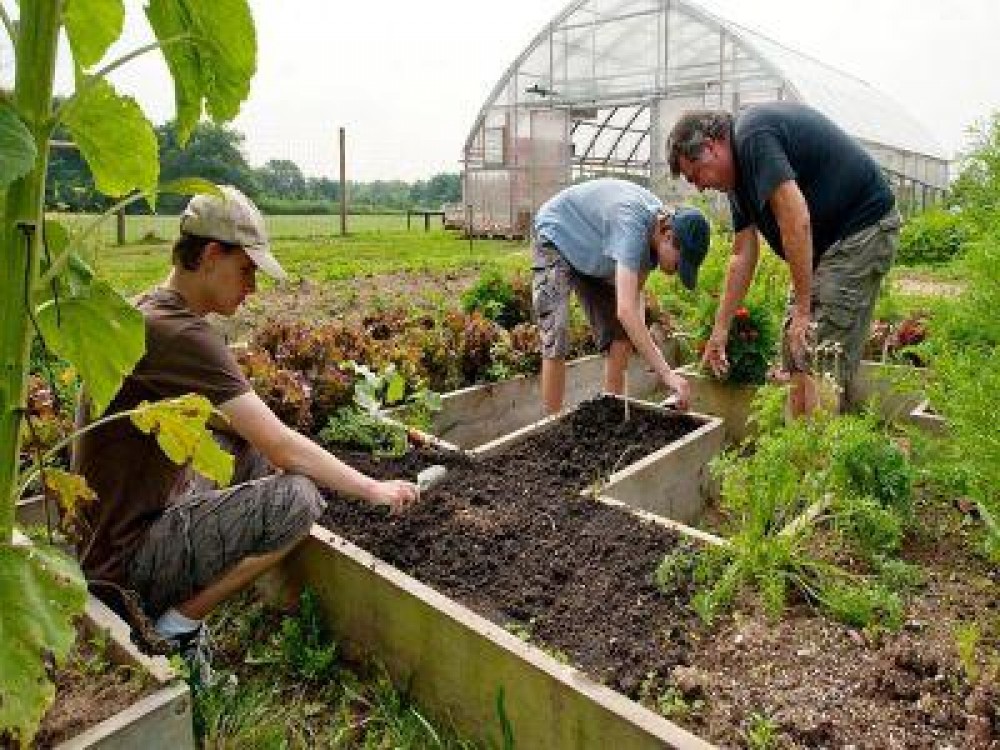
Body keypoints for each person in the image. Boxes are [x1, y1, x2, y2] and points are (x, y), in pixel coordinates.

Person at [74, 186, 419, 663]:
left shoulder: (149, 310)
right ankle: (175, 628)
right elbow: (281, 447)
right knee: (298, 499)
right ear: (212, 255)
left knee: (240, 445)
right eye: (247, 270)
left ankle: (177, 602)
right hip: (125, 567)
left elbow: (244, 432)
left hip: (107, 540)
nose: (252, 288)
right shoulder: (181, 333)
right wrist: (373, 489)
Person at [667, 103, 900, 415]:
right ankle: (799, 447)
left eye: (696, 175)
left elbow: (795, 219)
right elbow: (742, 254)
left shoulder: (753, 137)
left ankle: (820, 451)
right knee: (795, 351)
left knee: (819, 351)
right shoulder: (736, 180)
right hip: (825, 244)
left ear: (711, 147)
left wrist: (804, 309)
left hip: (861, 228)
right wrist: (720, 330)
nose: (699, 186)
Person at [531, 177, 710, 414]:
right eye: (680, 263)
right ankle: (551, 424)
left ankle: (610, 412)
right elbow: (625, 310)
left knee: (622, 334)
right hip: (556, 237)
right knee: (557, 333)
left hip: (593, 250)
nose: (678, 271)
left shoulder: (654, 233)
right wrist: (666, 373)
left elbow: (634, 298)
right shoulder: (632, 226)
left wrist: (651, 356)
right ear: (667, 236)